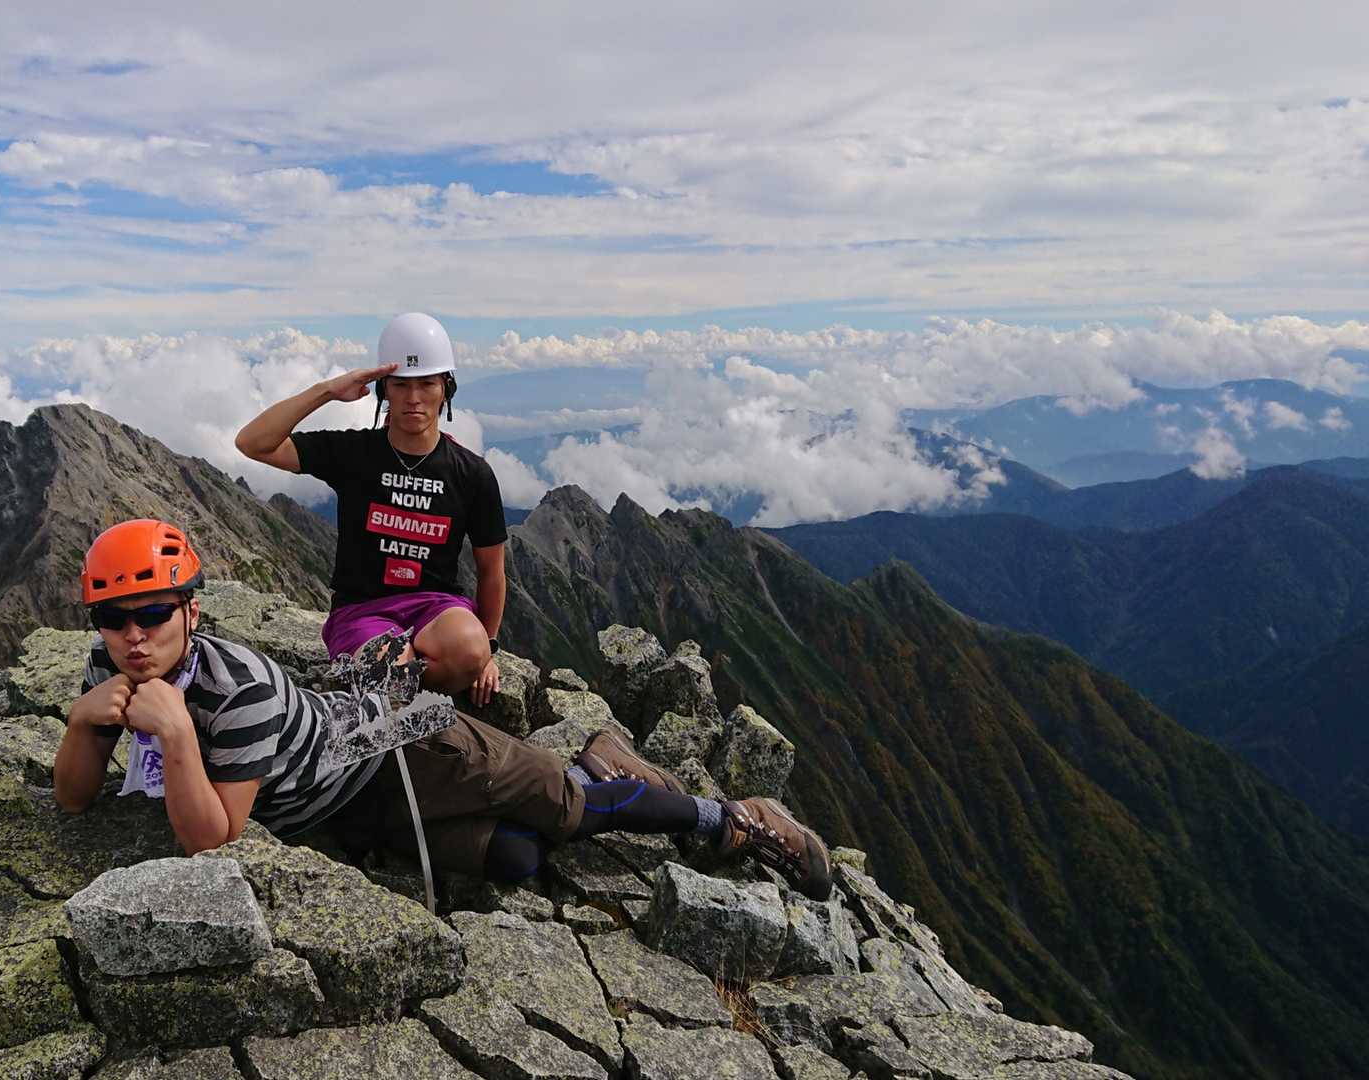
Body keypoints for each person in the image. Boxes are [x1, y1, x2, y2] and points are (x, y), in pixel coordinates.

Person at [53, 518, 834, 900]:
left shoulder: (241, 690)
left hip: (394, 744)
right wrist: (85, 722)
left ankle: (728, 817)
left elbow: (210, 839)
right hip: (346, 808)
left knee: (565, 811)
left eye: (151, 614)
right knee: (517, 862)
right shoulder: (111, 666)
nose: (133, 637)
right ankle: (594, 768)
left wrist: (178, 733)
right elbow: (76, 798)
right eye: (113, 619)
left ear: (191, 610)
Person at [234, 312, 506, 706]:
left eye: (427, 384)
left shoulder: (471, 474)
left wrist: (488, 650)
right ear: (384, 390)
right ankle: (395, 698)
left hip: (437, 608)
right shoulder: (353, 453)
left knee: (469, 649)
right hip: (361, 611)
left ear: (446, 389)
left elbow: (492, 571)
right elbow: (252, 442)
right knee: (388, 667)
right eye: (400, 385)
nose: (413, 398)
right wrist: (327, 390)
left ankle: (385, 697)